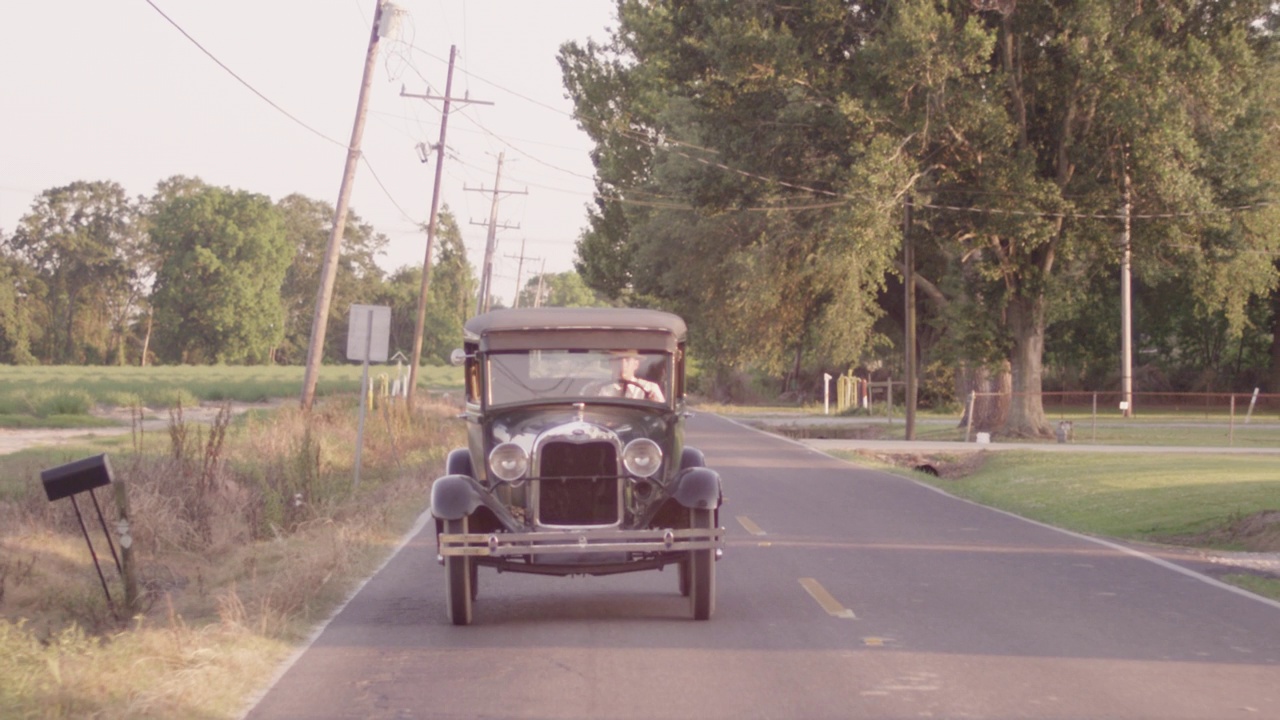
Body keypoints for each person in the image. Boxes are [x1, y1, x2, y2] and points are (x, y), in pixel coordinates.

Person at [598, 350, 665, 402]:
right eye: (618, 360)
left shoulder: (650, 388)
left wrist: (654, 403)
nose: (623, 365)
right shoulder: (603, 390)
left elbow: (662, 414)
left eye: (627, 360)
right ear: (611, 364)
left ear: (636, 364)